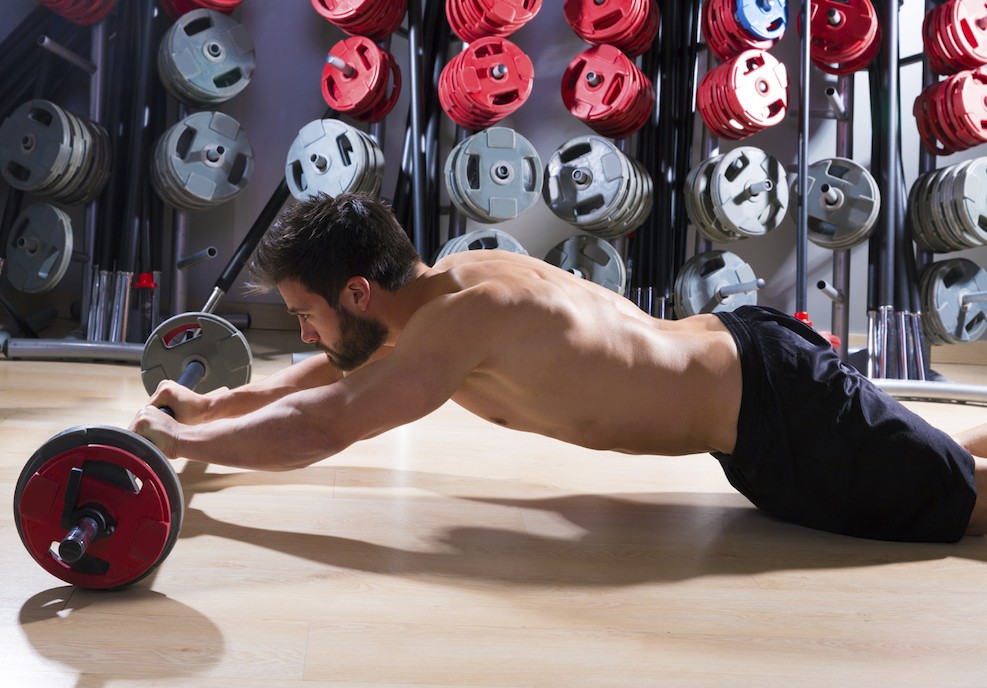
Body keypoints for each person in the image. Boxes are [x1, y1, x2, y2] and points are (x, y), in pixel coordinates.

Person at [130, 192, 987, 543]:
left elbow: (325, 422)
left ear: (357, 290)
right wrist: (210, 414)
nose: (307, 339)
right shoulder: (436, 295)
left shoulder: (464, 319)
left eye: (308, 315)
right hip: (755, 390)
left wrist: (165, 450)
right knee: (943, 461)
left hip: (776, 409)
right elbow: (329, 377)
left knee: (963, 507)